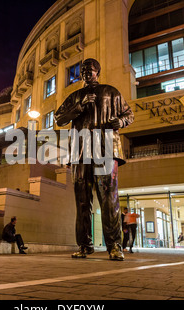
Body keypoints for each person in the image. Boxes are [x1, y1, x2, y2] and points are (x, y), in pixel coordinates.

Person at [55, 58, 134, 261]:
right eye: (82, 71)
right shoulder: (75, 96)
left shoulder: (111, 92)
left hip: (106, 149)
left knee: (109, 200)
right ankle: (84, 245)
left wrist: (121, 121)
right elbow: (59, 118)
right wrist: (79, 106)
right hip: (80, 152)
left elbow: (129, 114)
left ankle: (115, 246)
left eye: (89, 70)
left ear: (97, 71)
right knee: (82, 201)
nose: (86, 73)